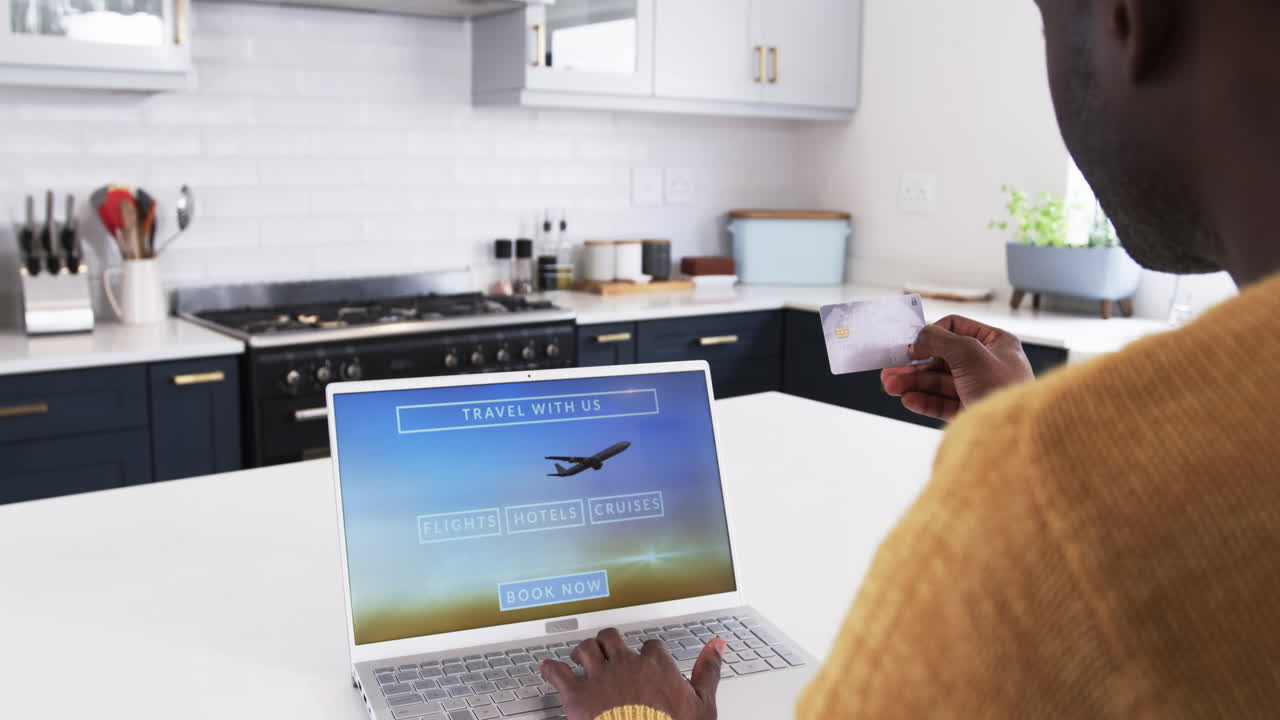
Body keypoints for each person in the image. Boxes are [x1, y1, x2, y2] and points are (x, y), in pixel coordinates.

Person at [536, 0, 1280, 716]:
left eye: (1046, 22)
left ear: (1128, 16)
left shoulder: (1057, 488)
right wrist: (1010, 421)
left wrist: (642, 715)